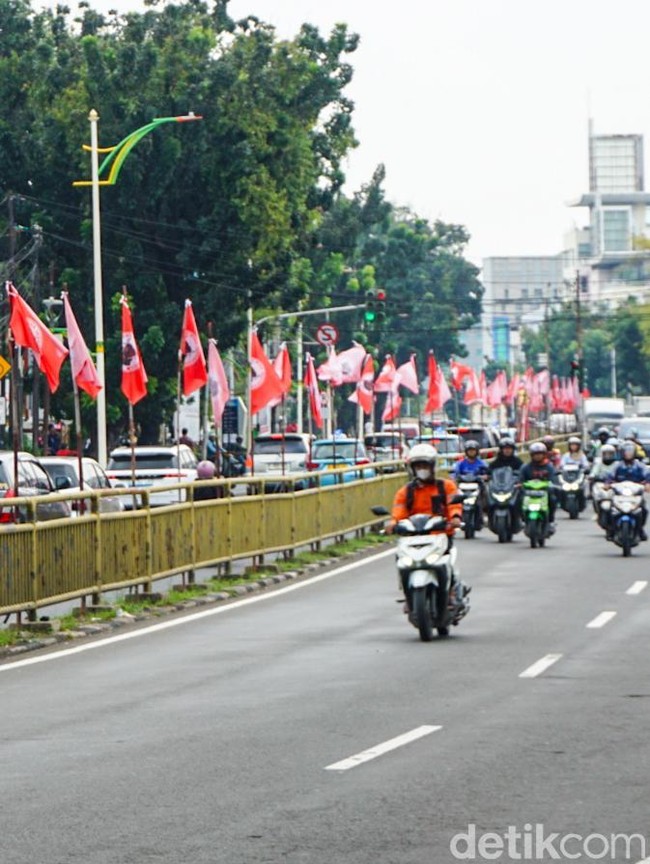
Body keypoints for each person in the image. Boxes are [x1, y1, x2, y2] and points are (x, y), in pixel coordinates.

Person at [387, 443, 466, 611]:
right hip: (413, 537)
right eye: (418, 466)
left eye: (425, 465)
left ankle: (451, 592)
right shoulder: (406, 491)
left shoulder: (446, 486)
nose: (422, 469)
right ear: (412, 469)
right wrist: (393, 523)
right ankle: (408, 594)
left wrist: (455, 518)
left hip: (440, 535)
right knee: (401, 560)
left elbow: (454, 505)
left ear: (433, 466)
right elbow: (399, 510)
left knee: (447, 561)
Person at [605, 440, 650, 540]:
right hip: (619, 494)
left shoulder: (639, 465)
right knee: (609, 509)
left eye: (630, 451)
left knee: (644, 510)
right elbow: (610, 475)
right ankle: (611, 530)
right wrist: (607, 483)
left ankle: (640, 529)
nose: (628, 454)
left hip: (635, 494)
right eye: (626, 451)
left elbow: (647, 475)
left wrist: (647, 484)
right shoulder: (617, 465)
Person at [519, 441, 558, 532]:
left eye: (540, 454)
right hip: (529, 494)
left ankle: (551, 521)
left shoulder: (549, 467)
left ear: (544, 454)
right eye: (535, 454)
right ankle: (523, 520)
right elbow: (520, 478)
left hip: (544, 493)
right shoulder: (526, 467)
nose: (538, 456)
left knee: (552, 500)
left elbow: (554, 478)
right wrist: (519, 484)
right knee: (518, 500)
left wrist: (553, 484)